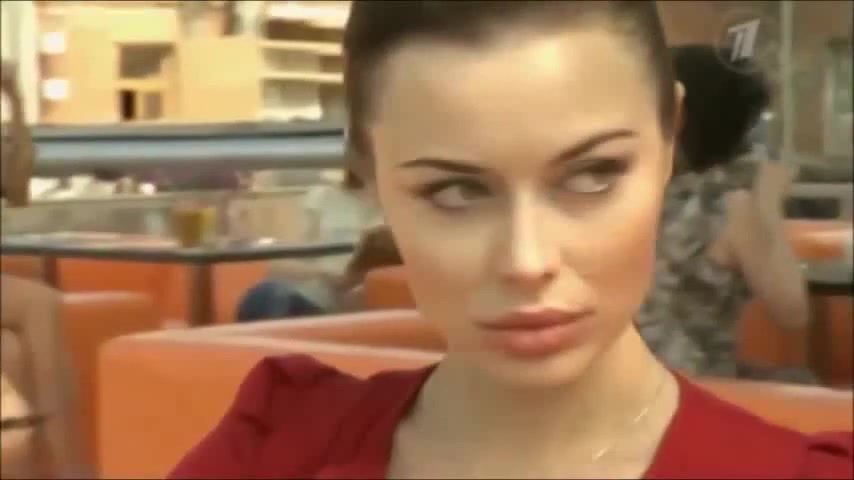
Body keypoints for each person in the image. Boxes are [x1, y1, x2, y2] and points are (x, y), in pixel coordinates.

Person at [171, 2, 852, 478]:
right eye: (455, 191)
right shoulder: (277, 446)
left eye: (593, 174)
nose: (528, 261)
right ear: (368, 176)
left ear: (671, 137)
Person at [637, 44, 814, 383]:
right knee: (802, 382)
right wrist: (768, 198)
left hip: (626, 386)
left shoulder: (637, 194)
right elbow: (792, 311)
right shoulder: (729, 206)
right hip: (690, 389)